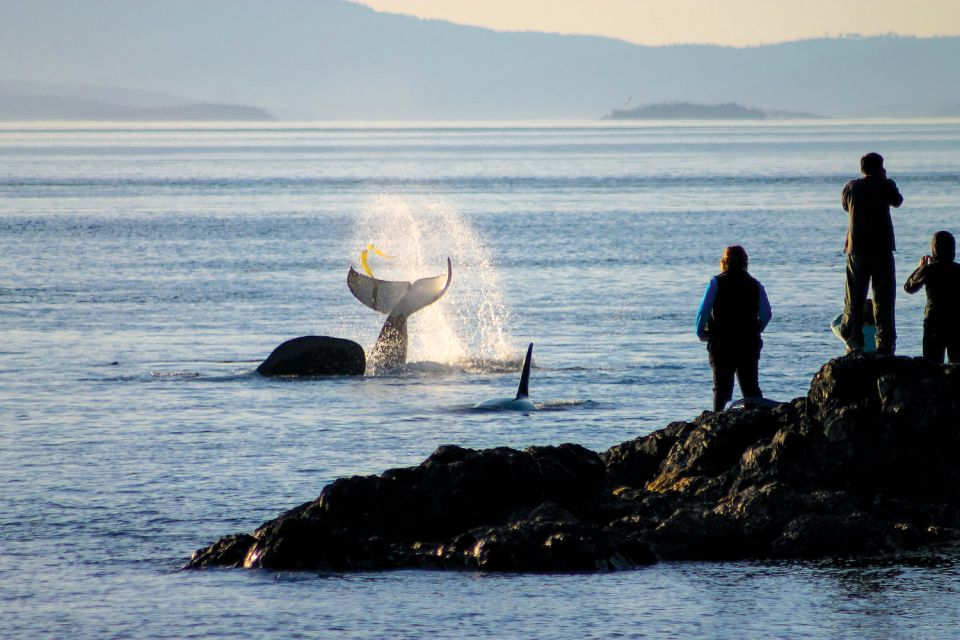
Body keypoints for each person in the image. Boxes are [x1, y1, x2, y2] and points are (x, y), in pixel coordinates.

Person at [839, 152, 904, 354]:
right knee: (883, 298)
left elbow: (844, 206)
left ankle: (853, 339)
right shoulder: (885, 185)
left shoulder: (851, 187)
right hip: (882, 249)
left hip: (856, 250)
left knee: (854, 297)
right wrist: (884, 180)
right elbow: (898, 201)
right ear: (880, 168)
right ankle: (884, 344)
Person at [696, 245, 772, 412]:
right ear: (745, 263)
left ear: (724, 262)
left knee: (722, 389)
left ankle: (717, 421)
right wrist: (757, 329)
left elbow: (703, 311)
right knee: (750, 388)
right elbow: (766, 314)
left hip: (721, 343)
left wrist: (701, 332)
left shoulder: (716, 283)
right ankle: (758, 423)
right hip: (748, 343)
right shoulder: (755, 285)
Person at [903, 230, 960, 364]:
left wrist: (920, 268)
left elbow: (909, 288)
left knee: (931, 366)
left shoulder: (928, 270)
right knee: (957, 366)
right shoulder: (958, 269)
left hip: (934, 322)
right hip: (957, 322)